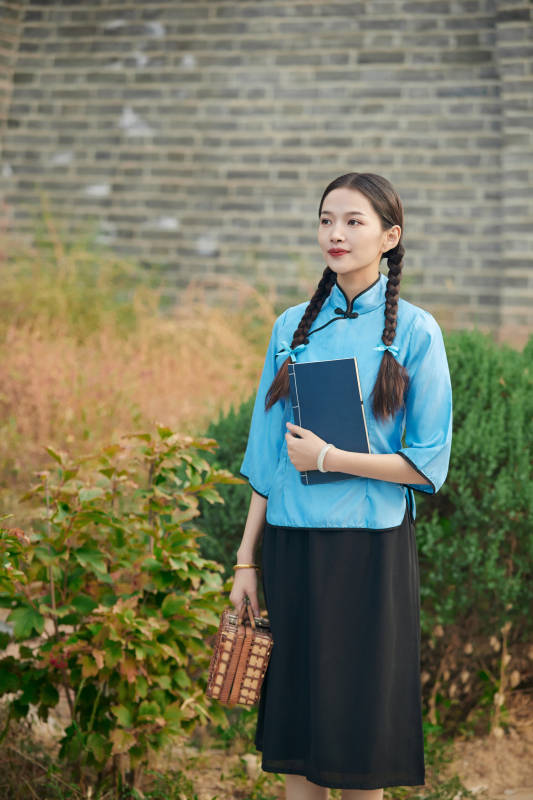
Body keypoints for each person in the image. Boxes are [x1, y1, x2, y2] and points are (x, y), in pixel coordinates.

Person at [230, 172, 453, 800]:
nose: (337, 233)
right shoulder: (290, 328)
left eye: (354, 221)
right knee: (297, 725)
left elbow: (426, 463)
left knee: (360, 734)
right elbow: (267, 457)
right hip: (292, 545)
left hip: (369, 550)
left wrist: (331, 456)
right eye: (327, 219)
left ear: (390, 237)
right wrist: (245, 560)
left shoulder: (417, 331)